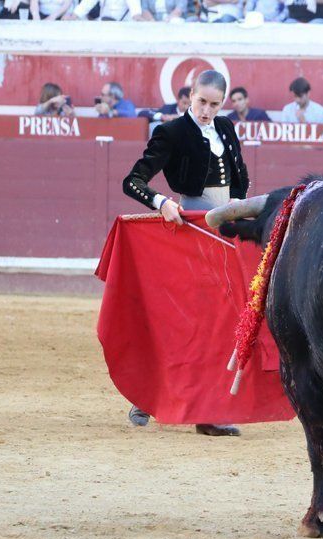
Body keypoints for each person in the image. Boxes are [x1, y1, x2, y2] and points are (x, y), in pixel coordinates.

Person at [121, 70, 250, 437]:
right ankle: (149, 395)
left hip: (224, 234)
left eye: (214, 104)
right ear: (189, 97)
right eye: (202, 102)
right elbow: (133, 181)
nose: (207, 110)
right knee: (185, 321)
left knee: (221, 324)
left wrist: (240, 207)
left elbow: (239, 178)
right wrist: (161, 202)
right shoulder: (172, 132)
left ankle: (206, 409)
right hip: (191, 232)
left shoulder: (225, 127)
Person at [65, 0, 151, 19]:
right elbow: (87, 3)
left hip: (123, 27)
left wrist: (138, 17)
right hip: (103, 25)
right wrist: (74, 15)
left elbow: (135, 10)